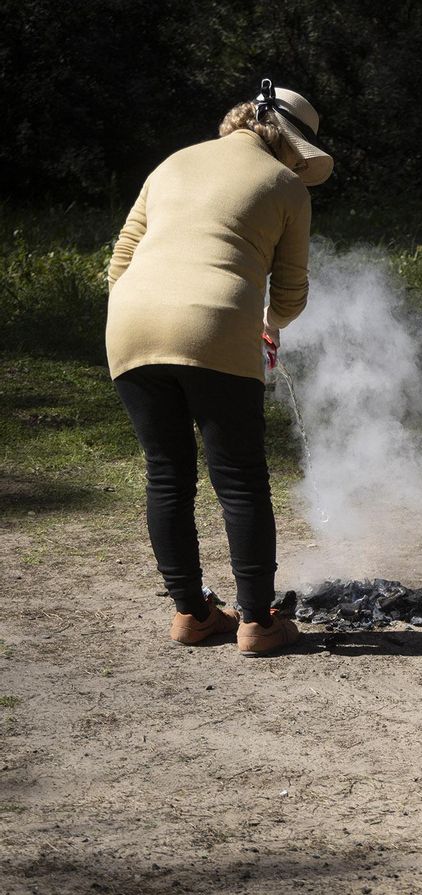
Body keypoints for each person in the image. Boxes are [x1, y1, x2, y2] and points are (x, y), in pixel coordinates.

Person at [106, 80, 333, 656]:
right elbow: (290, 291)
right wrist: (267, 323)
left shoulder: (172, 164)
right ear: (290, 145)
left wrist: (148, 309)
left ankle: (192, 614)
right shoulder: (286, 186)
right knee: (238, 478)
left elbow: (121, 260)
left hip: (130, 323)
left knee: (167, 472)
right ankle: (258, 622)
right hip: (214, 324)